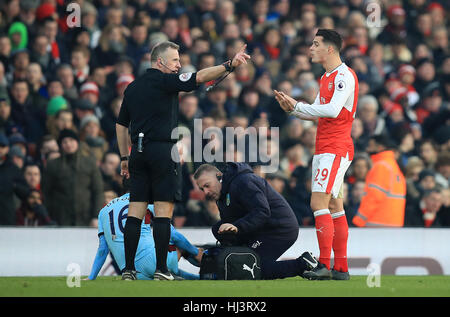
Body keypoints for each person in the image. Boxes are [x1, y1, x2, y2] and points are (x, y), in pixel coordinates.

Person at [116, 40, 250, 280]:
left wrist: (124, 157)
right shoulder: (167, 82)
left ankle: (128, 269)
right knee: (162, 213)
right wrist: (229, 64)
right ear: (160, 62)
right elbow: (199, 77)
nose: (179, 65)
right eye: (175, 60)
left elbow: (120, 125)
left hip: (136, 152)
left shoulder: (132, 88)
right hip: (161, 151)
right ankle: (161, 269)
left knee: (135, 212)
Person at [274, 29, 359, 280]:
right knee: (334, 205)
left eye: (315, 44)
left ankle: (324, 264)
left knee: (317, 203)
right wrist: (292, 109)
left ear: (330, 49)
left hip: (335, 148)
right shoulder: (326, 77)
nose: (311, 48)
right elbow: (316, 112)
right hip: (326, 147)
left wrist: (299, 106)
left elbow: (332, 110)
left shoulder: (343, 75)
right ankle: (341, 268)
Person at [193, 162, 319, 280]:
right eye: (202, 189)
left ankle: (303, 263)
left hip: (279, 228)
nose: (206, 192)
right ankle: (304, 266)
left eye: (207, 185)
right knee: (218, 229)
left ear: (219, 176)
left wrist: (237, 227)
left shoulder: (244, 181)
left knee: (252, 268)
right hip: (261, 229)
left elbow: (262, 211)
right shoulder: (222, 195)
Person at [86, 191, 203, 280]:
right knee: (172, 238)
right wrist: (194, 252)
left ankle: (196, 278)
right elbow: (171, 233)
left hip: (132, 273)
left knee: (163, 262)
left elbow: (103, 249)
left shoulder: (103, 212)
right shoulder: (142, 201)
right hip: (152, 260)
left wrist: (91, 277)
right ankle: (203, 261)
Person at [42, 129, 104, 226]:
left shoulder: (89, 163)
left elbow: (98, 191)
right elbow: (46, 192)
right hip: (60, 219)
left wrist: (96, 216)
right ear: (60, 145)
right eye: (64, 141)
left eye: (71, 140)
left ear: (77, 142)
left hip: (86, 218)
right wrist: (50, 216)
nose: (68, 144)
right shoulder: (53, 165)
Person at [352, 134, 406, 227]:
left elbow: (374, 197)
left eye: (370, 145)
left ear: (380, 147)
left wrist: (359, 220)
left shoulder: (381, 166)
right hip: (392, 224)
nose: (368, 149)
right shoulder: (393, 166)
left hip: (377, 224)